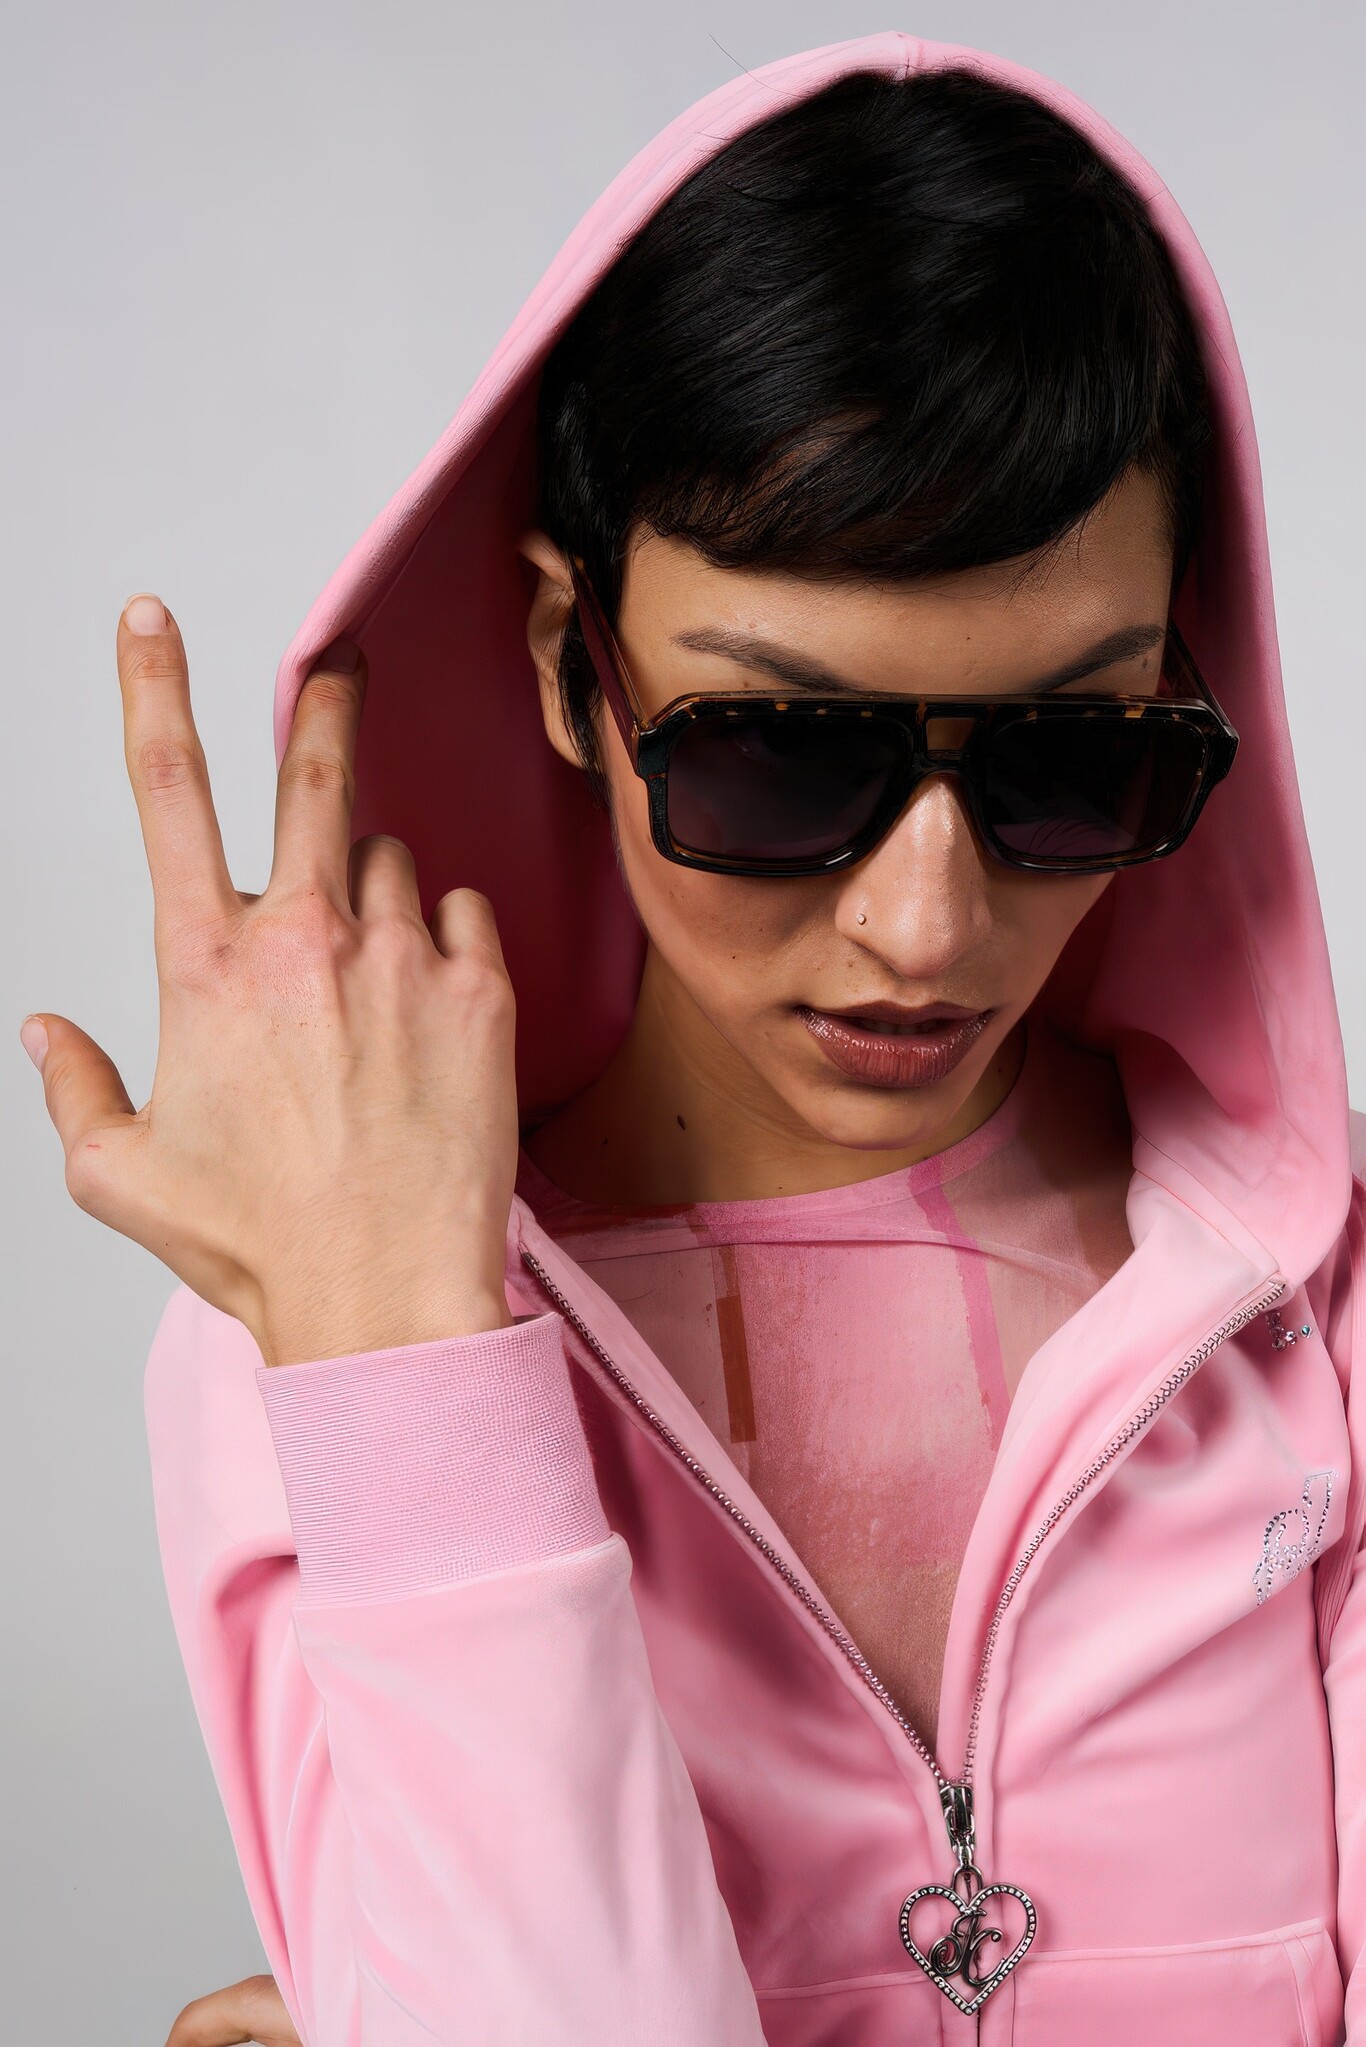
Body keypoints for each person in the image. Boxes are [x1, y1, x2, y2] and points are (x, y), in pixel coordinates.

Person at [20, 32, 1366, 2047]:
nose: (922, 924)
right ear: (572, 667)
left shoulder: (1316, 1303)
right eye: (776, 754)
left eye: (1070, 755)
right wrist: (402, 1371)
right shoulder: (304, 1343)